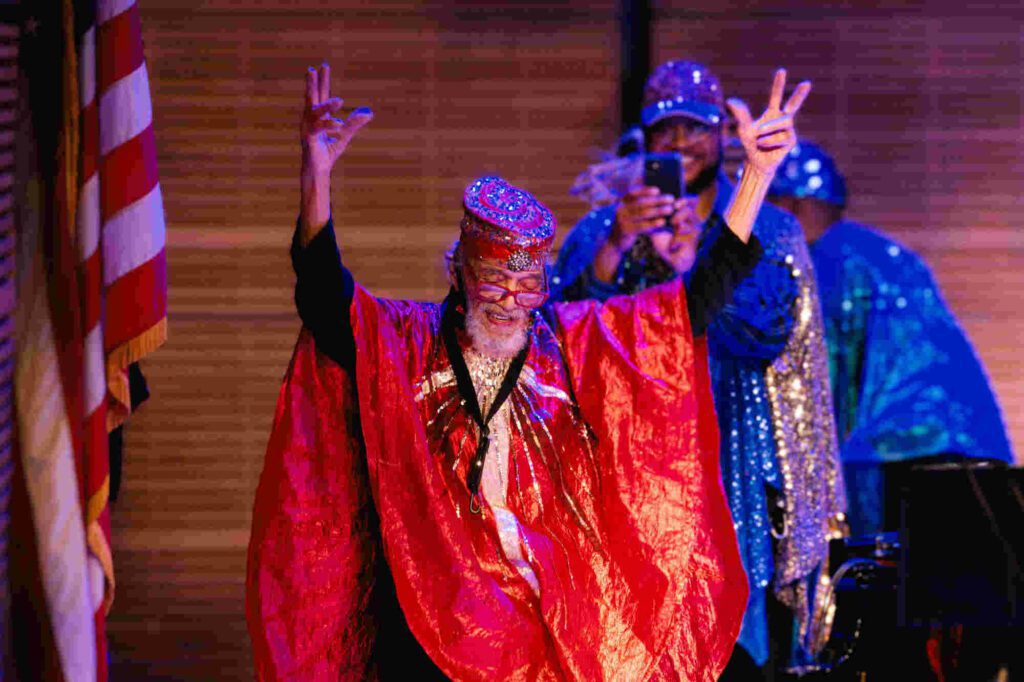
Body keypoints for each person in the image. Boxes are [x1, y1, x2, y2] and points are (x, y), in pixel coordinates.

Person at [245, 62, 808, 681]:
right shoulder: (406, 340)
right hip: (432, 602)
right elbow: (326, 299)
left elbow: (691, 305)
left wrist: (755, 176)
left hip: (549, 604)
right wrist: (316, 175)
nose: (511, 302)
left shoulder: (567, 342)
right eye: (494, 281)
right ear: (458, 271)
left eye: (527, 285)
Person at [552, 61, 846, 676]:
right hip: (631, 475)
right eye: (666, 129)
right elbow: (560, 336)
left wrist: (692, 265)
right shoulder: (606, 227)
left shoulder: (771, 226)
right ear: (644, 137)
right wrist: (615, 247)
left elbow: (766, 332)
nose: (681, 142)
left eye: (697, 128)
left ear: (722, 135)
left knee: (735, 645)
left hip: (735, 458)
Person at [767, 141, 1014, 537]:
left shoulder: (826, 263)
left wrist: (817, 479)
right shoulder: (885, 254)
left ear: (792, 206)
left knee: (877, 567)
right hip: (972, 446)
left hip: (893, 452)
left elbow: (832, 380)